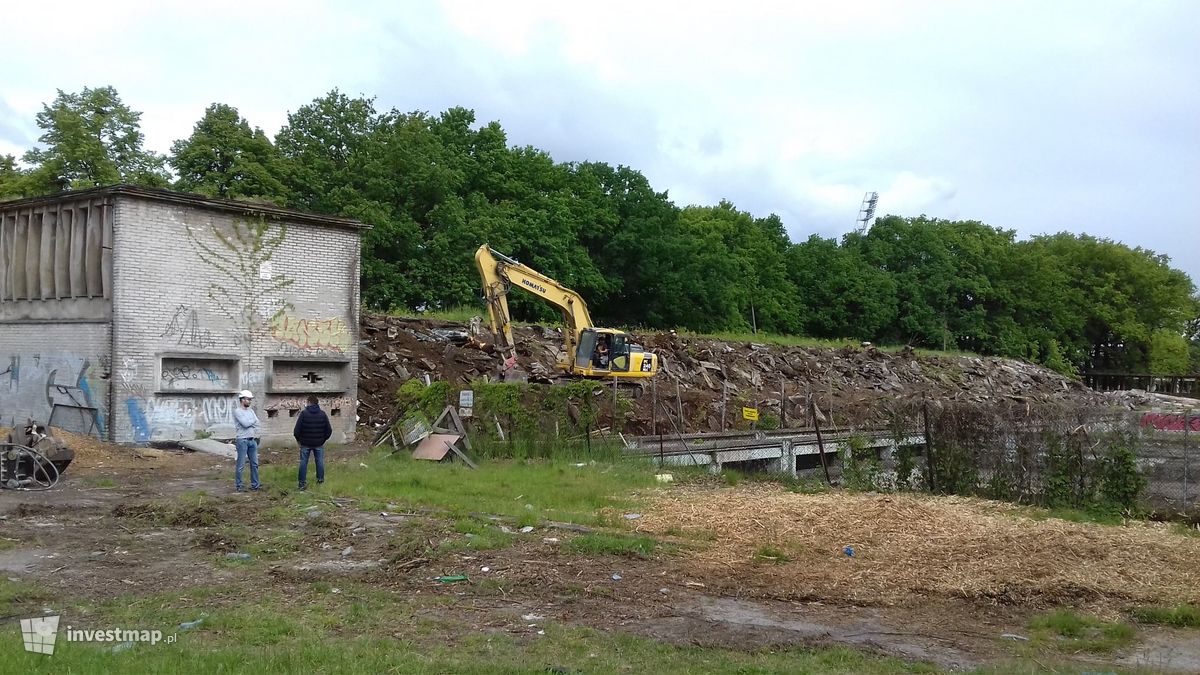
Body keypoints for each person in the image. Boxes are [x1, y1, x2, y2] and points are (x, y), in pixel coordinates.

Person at [294, 395, 332, 491]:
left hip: (305, 444)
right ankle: (320, 481)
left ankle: (302, 484)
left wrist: (299, 441)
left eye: (307, 402)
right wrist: (322, 440)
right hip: (319, 443)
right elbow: (329, 431)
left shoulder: (303, 414)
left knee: (303, 463)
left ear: (309, 402)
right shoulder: (323, 414)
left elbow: (296, 431)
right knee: (319, 462)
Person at [232, 390, 261, 492]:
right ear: (242, 399)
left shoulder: (251, 411)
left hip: (252, 440)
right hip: (242, 440)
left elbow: (257, 422)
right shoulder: (237, 411)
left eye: (250, 399)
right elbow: (245, 424)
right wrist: (252, 422)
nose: (249, 401)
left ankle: (255, 485)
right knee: (241, 465)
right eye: (248, 399)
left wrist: (251, 422)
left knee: (255, 464)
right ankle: (239, 486)